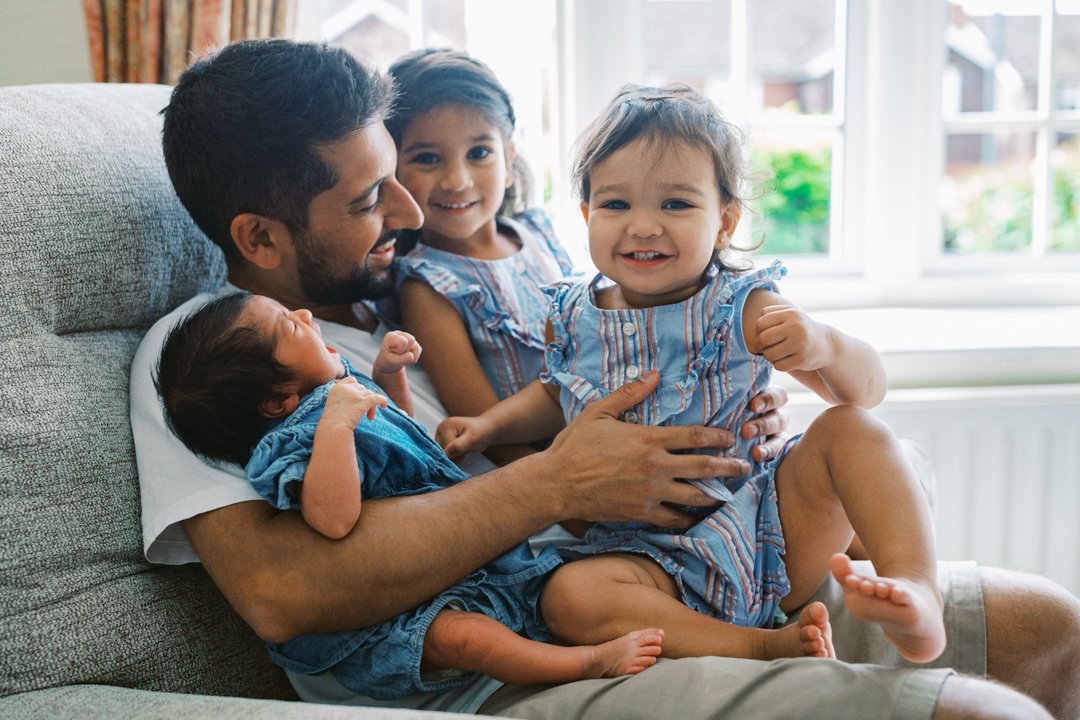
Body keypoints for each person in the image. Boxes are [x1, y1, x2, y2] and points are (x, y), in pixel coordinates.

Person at [127, 38, 1080, 719]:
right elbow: (284, 593)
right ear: (260, 236)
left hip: (700, 548)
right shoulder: (211, 356)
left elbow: (599, 391)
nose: (415, 207)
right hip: (529, 657)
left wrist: (717, 421)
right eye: (373, 195)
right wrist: (559, 478)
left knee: (1052, 629)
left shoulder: (399, 306)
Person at [438, 83, 945, 665]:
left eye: (676, 204)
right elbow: (556, 394)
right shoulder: (571, 315)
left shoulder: (742, 306)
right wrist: (488, 426)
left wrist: (825, 345)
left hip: (762, 531)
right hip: (639, 557)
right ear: (586, 215)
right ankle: (760, 645)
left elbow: (868, 392)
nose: (644, 226)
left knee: (852, 430)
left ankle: (915, 590)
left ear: (725, 221)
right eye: (616, 205)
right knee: (569, 598)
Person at [153, 290, 666, 699]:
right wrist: (334, 428)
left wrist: (387, 376)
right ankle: (584, 664)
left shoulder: (337, 389)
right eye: (290, 325)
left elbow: (399, 435)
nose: (306, 315)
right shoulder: (293, 441)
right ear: (276, 400)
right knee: (464, 639)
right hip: (390, 622)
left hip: (447, 567)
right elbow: (333, 519)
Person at [385, 48, 578, 465]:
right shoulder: (427, 284)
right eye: (427, 158)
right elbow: (487, 430)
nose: (457, 181)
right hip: (562, 471)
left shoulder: (538, 233)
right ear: (393, 172)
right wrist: (578, 516)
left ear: (509, 160)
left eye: (478, 153)